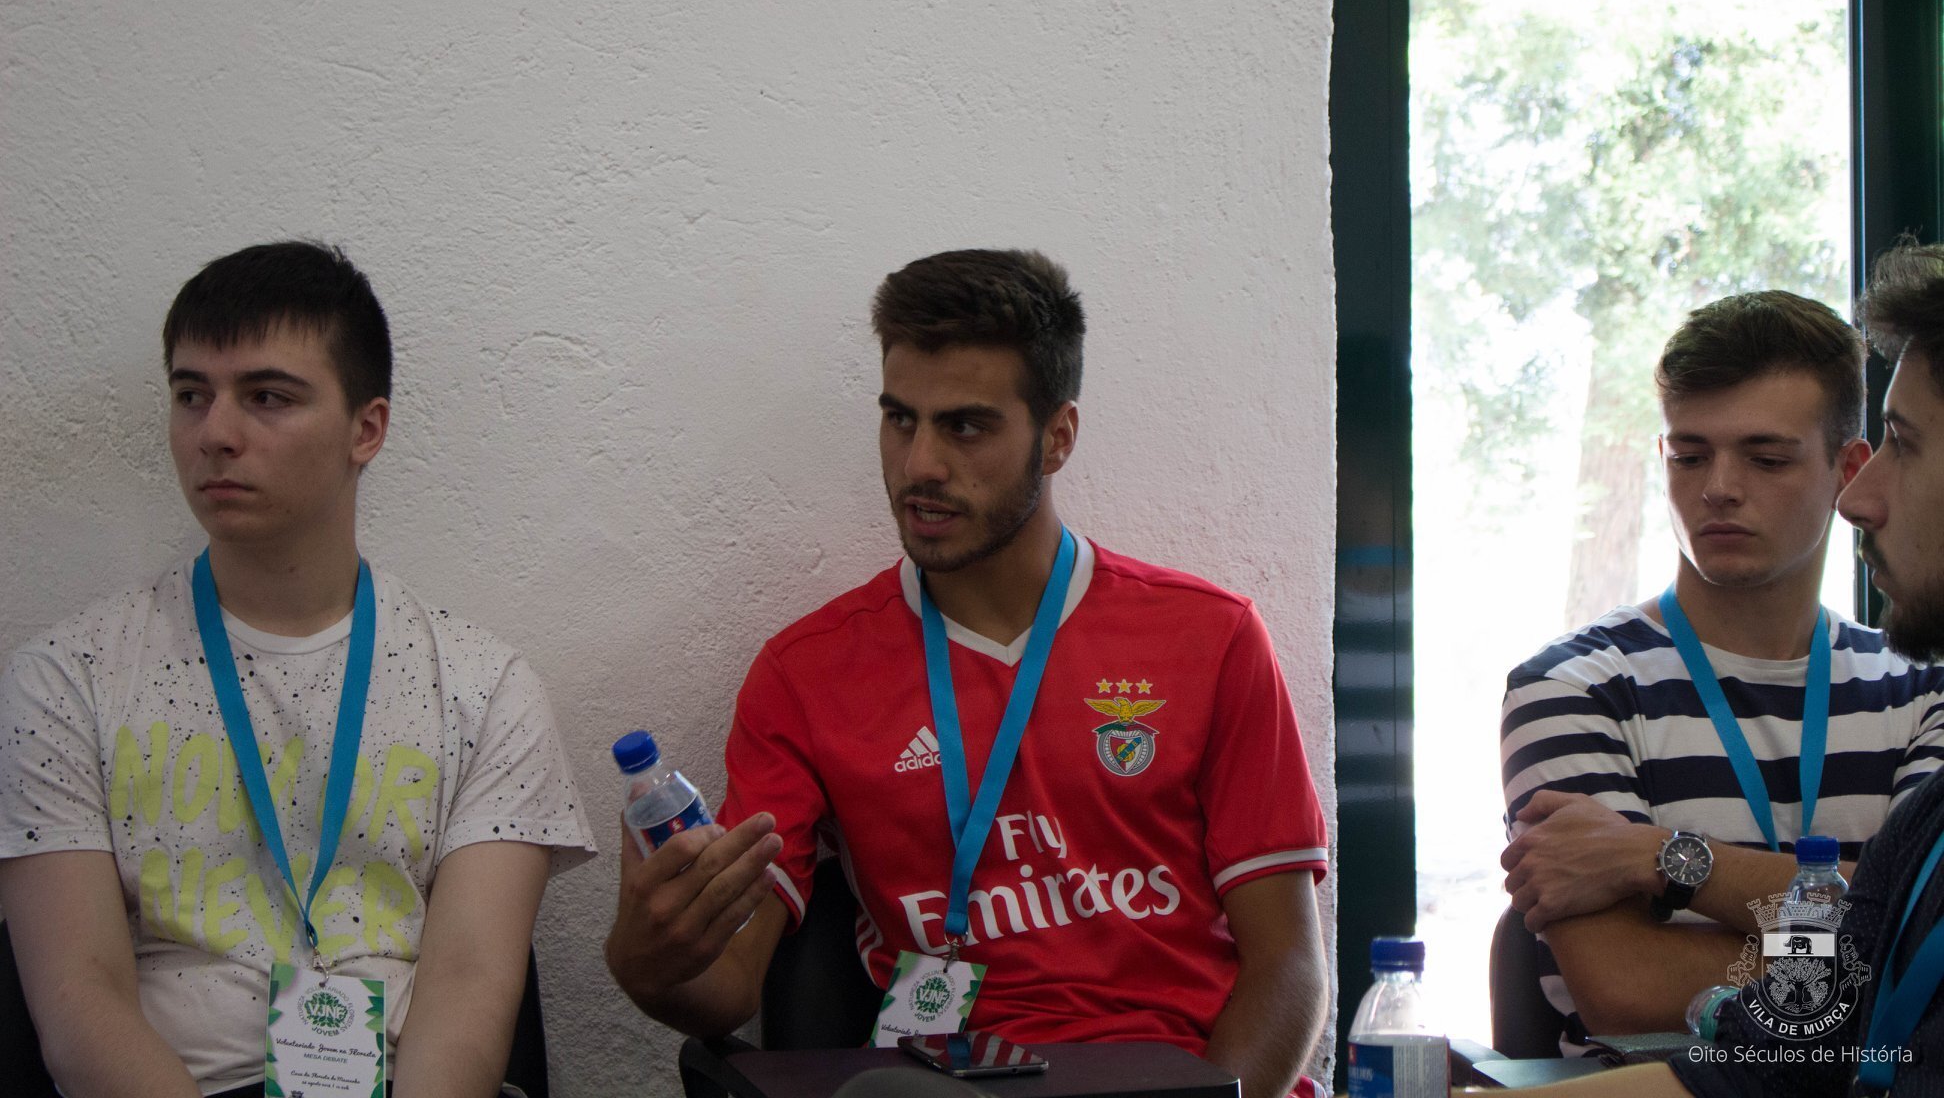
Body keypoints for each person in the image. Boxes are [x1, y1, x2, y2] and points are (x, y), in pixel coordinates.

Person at [605, 249, 1330, 1098]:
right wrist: (647, 963)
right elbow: (730, 986)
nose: (919, 465)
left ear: (1057, 437)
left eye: (965, 427)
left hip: (1180, 1082)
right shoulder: (805, 675)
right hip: (938, 1087)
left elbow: (1289, 967)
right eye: (900, 419)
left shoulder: (1210, 639)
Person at [0, 242, 595, 1098]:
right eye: (191, 395)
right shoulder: (66, 680)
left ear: (366, 429)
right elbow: (79, 1004)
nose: (215, 434)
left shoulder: (483, 688)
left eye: (267, 397)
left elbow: (470, 985)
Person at [1495, 244, 1944, 1098]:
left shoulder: (1923, 684)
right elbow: (1627, 989)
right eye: (1690, 455)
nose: (1720, 489)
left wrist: (1664, 859)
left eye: (1766, 458)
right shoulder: (1573, 688)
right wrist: (1854, 939)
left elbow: (1916, 942)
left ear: (1848, 471)